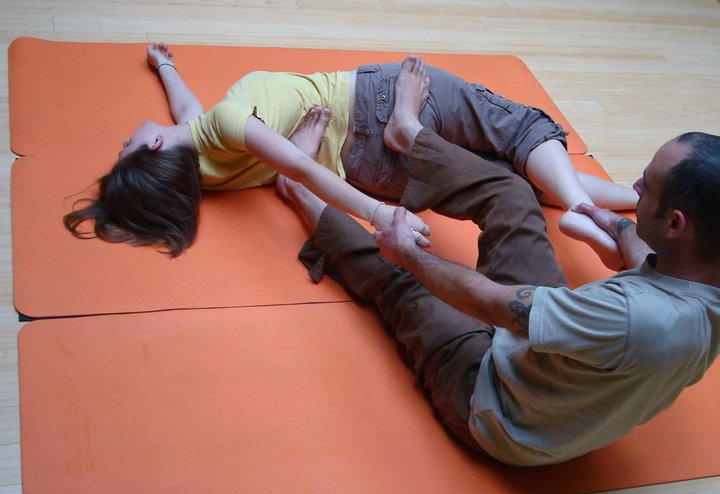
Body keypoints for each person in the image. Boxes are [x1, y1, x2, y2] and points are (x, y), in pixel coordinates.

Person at [276, 61, 720, 465]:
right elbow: (644, 263)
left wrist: (408, 254)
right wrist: (618, 226)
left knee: (403, 278)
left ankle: (296, 186)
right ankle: (408, 134)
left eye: (647, 186)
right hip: (553, 364)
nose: (635, 187)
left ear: (676, 224)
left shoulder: (633, 317)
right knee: (512, 193)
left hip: (494, 406)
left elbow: (489, 303)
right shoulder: (703, 276)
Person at [63, 43, 636, 266]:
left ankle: (624, 202)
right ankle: (583, 208)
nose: (123, 140)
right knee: (523, 129)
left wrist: (165, 66)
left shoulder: (202, 171)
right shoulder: (228, 121)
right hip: (376, 106)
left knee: (509, 179)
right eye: (126, 148)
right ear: (154, 145)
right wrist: (382, 215)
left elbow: (188, 108)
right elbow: (299, 168)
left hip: (370, 170)